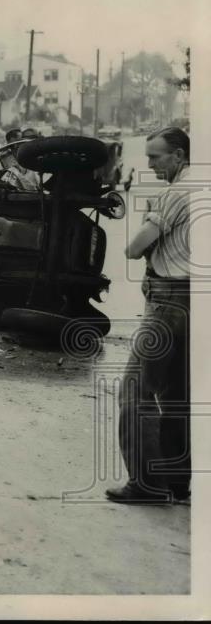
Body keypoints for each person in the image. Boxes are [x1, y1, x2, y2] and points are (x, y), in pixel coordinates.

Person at [107, 127, 191, 505]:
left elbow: (133, 248)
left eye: (156, 157)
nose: (151, 165)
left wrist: (147, 229)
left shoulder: (176, 193)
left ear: (179, 155)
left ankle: (146, 483)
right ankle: (174, 482)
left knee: (136, 388)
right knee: (178, 395)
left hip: (169, 301)